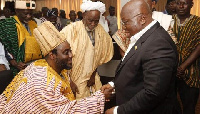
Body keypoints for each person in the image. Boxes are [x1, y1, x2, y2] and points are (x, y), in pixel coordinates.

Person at [0, 21, 108, 113]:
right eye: (66, 52)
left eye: (70, 50)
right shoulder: (42, 81)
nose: (71, 55)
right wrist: (100, 98)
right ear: (52, 55)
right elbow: (66, 111)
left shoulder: (54, 67)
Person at [101, 0, 181, 113]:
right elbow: (135, 69)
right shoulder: (144, 36)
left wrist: (118, 111)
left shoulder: (159, 43)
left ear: (142, 19)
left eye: (125, 22)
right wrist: (113, 84)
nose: (123, 28)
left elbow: (153, 93)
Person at [60, 0, 113, 100]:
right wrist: (69, 81)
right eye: (90, 20)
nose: (93, 24)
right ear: (84, 15)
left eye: (96, 21)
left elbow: (100, 55)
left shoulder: (100, 31)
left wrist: (93, 74)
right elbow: (60, 58)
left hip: (92, 79)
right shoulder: (70, 30)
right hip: (73, 79)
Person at [0, 0, 42, 76]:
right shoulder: (8, 24)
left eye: (30, 13)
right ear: (17, 11)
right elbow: (4, 47)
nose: (29, 16)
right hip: (18, 67)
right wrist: (15, 63)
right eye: (25, 13)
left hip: (35, 66)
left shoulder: (34, 23)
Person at [173, 0, 200, 114]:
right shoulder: (168, 21)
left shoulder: (197, 22)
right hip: (170, 71)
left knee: (189, 107)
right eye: (178, 3)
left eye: (185, 3)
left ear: (191, 5)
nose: (181, 6)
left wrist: (183, 66)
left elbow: (199, 47)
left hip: (191, 72)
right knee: (171, 106)